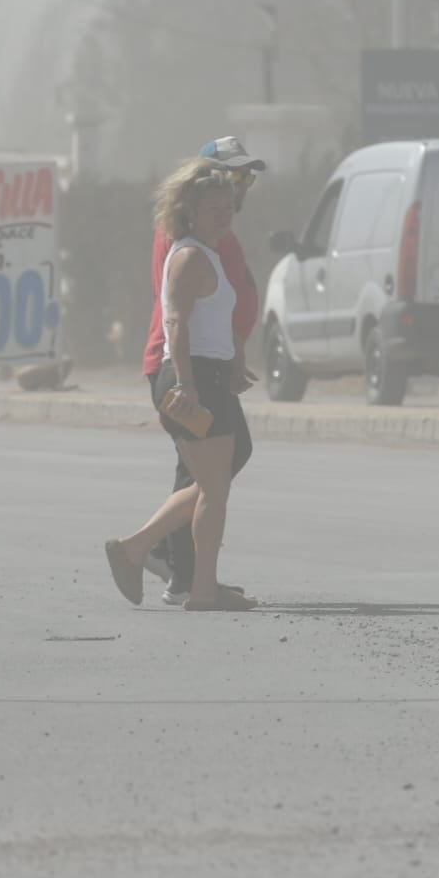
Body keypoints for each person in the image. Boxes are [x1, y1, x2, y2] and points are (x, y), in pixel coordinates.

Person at [104, 158, 257, 612]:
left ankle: (144, 553)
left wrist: (234, 362)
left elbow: (219, 320)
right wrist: (188, 383)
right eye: (213, 208)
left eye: (227, 206)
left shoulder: (208, 251)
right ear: (190, 211)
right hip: (193, 377)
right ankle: (194, 584)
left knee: (212, 483)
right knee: (213, 487)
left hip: (211, 374)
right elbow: (176, 321)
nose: (223, 215)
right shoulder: (189, 254)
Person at [141, 137, 265, 605]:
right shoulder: (189, 239)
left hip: (206, 362)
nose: (240, 189)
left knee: (215, 465)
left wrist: (234, 353)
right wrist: (189, 378)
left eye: (246, 178)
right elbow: (179, 310)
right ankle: (178, 569)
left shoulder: (218, 235)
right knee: (205, 472)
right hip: (184, 363)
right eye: (233, 176)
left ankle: (171, 559)